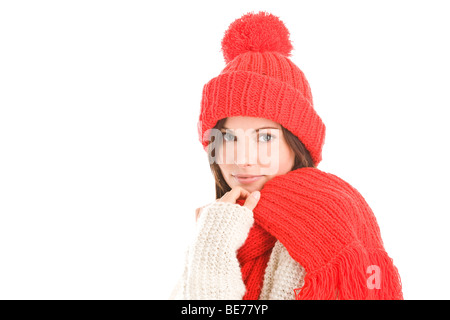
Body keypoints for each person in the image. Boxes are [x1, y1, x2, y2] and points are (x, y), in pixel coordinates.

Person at [170, 11, 403, 300]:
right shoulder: (222, 222)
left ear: (297, 143)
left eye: (265, 137)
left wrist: (212, 251)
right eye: (229, 137)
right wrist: (211, 243)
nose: (243, 159)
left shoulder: (325, 220)